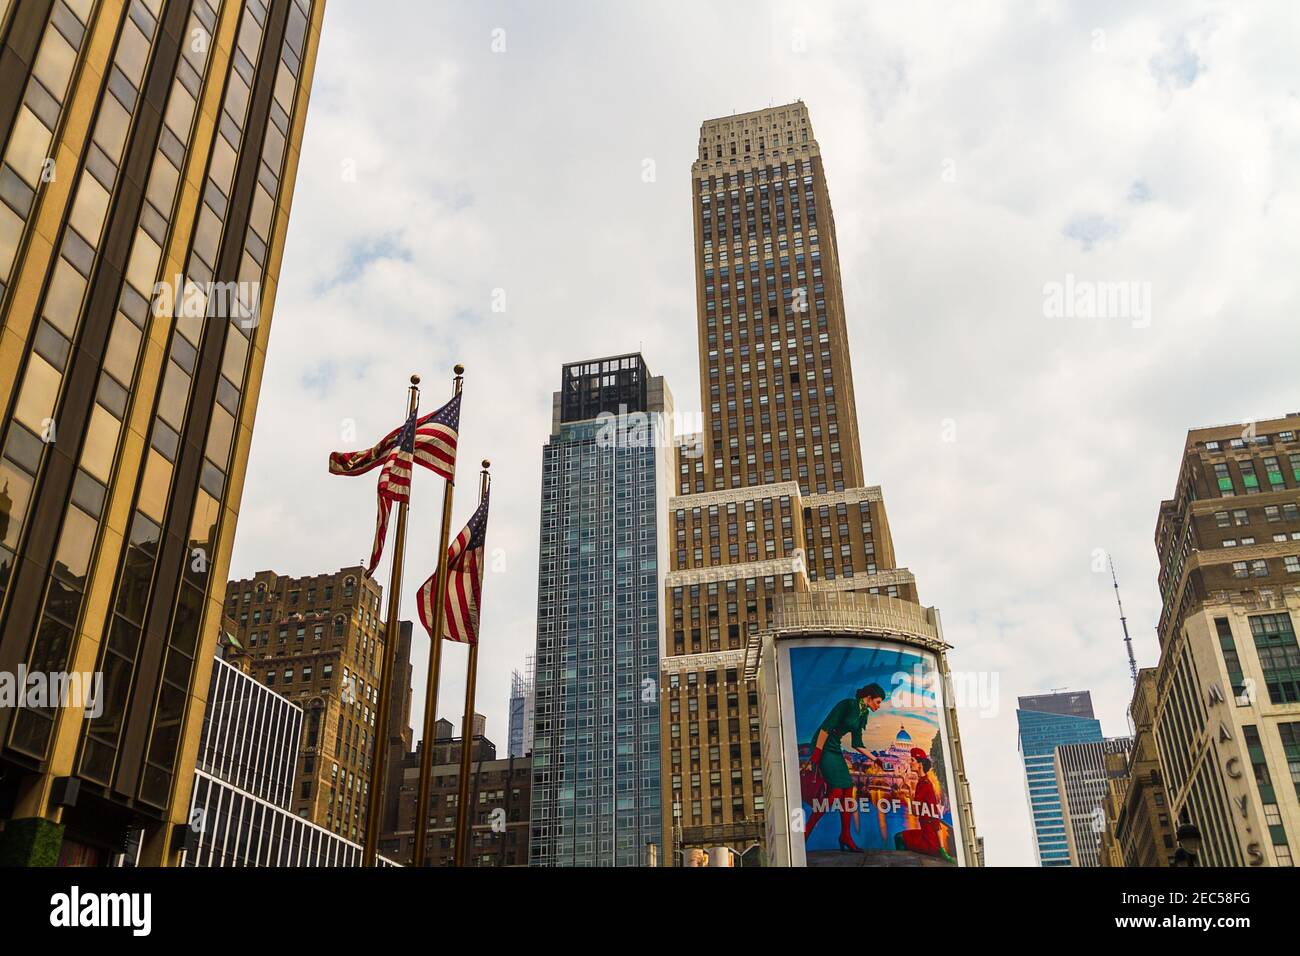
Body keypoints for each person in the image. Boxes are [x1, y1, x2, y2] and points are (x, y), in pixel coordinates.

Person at [801, 682, 886, 852]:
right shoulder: (847, 705)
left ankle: (845, 836)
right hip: (823, 744)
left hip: (834, 747)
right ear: (868, 698)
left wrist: (875, 759)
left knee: (848, 790)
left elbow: (857, 743)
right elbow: (826, 728)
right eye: (877, 702)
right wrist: (817, 753)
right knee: (837, 792)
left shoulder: (863, 714)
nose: (879, 706)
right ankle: (805, 833)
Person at [894, 747, 956, 863]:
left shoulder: (924, 785)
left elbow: (932, 816)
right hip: (927, 836)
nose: (909, 762)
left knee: (899, 837)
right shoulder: (923, 783)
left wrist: (942, 850)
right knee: (900, 837)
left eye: (912, 760)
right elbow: (917, 811)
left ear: (920, 764)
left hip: (928, 840)